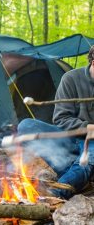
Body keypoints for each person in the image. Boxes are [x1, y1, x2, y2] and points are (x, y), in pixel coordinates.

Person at [17, 45, 94, 199]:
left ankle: (55, 195)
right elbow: (61, 118)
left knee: (87, 159)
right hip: (70, 138)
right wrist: (88, 127)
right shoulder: (71, 78)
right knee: (26, 126)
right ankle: (79, 178)